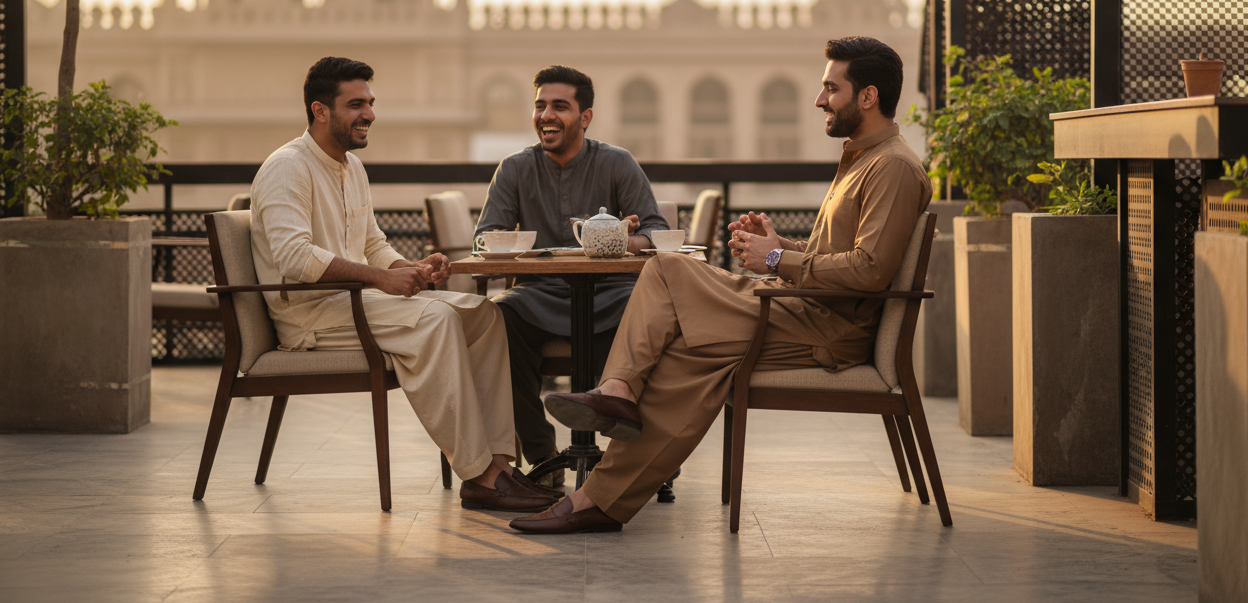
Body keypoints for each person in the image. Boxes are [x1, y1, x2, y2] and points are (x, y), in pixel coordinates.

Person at [509, 36, 933, 533]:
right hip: (802, 307)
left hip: (825, 327)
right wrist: (780, 246)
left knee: (667, 269)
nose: (819, 99)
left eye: (830, 88)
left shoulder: (893, 168)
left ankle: (616, 400)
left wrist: (775, 258)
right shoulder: (863, 160)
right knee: (681, 349)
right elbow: (842, 257)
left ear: (868, 97)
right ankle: (598, 496)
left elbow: (870, 272)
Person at [249, 56, 557, 513]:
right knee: (436, 320)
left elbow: (372, 244)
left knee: (485, 315)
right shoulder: (287, 168)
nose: (369, 114)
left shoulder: (351, 167)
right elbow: (294, 258)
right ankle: (477, 474)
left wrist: (410, 269)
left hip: (357, 302)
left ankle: (498, 464)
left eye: (370, 103)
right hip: (311, 315)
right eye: (356, 104)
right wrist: (382, 279)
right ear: (320, 110)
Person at [475, 65, 668, 487]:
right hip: (537, 295)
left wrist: (622, 238)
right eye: (541, 105)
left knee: (652, 315)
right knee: (497, 317)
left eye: (560, 107)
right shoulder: (514, 169)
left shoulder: (617, 163)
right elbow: (485, 238)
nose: (547, 115)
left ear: (585, 117)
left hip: (611, 294)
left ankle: (630, 460)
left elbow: (656, 231)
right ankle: (543, 455)